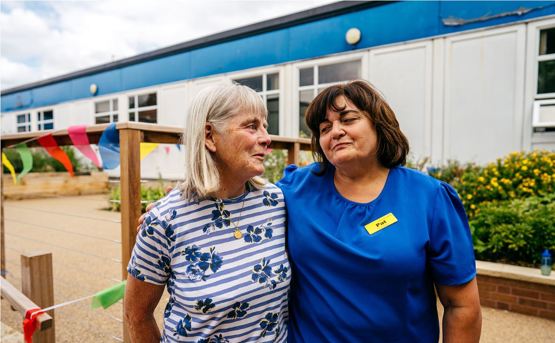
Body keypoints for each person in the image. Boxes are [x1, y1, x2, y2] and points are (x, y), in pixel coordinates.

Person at [276, 80, 481, 342]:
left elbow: (461, 305)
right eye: (324, 128)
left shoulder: (429, 197)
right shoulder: (294, 190)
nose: (335, 132)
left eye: (348, 119)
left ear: (378, 123)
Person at [125, 83, 290, 343]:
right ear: (209, 136)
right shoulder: (164, 221)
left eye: (265, 126)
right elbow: (137, 315)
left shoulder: (276, 202)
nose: (266, 138)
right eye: (251, 126)